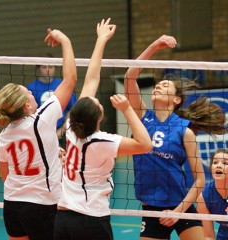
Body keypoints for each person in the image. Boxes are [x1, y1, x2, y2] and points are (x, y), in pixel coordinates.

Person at [53, 18, 153, 240]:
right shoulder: (102, 142)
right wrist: (127, 109)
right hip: (90, 219)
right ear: (99, 117)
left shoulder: (71, 129)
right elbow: (145, 144)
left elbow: (91, 79)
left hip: (62, 218)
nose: (97, 100)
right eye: (98, 104)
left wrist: (101, 40)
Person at [123, 35, 227, 240]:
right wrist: (154, 45)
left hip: (181, 206)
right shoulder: (142, 117)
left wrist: (178, 211)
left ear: (176, 99)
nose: (158, 86)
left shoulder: (184, 130)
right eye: (157, 85)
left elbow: (199, 179)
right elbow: (129, 77)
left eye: (164, 85)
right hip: (151, 209)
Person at [0, 29, 77, 240]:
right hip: (42, 205)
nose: (30, 91)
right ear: (27, 104)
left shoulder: (4, 135)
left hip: (12, 206)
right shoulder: (42, 119)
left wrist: (51, 154)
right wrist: (65, 39)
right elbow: (71, 79)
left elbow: (6, 175)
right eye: (27, 92)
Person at [27, 53, 77, 149]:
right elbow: (29, 112)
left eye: (51, 66)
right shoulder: (31, 88)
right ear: (38, 69)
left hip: (61, 135)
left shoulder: (62, 85)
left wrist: (62, 130)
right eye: (44, 67)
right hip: (39, 134)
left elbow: (73, 109)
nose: (48, 70)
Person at [197, 149, 228, 240]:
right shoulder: (204, 196)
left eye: (225, 163)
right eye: (215, 162)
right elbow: (208, 236)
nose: (218, 165)